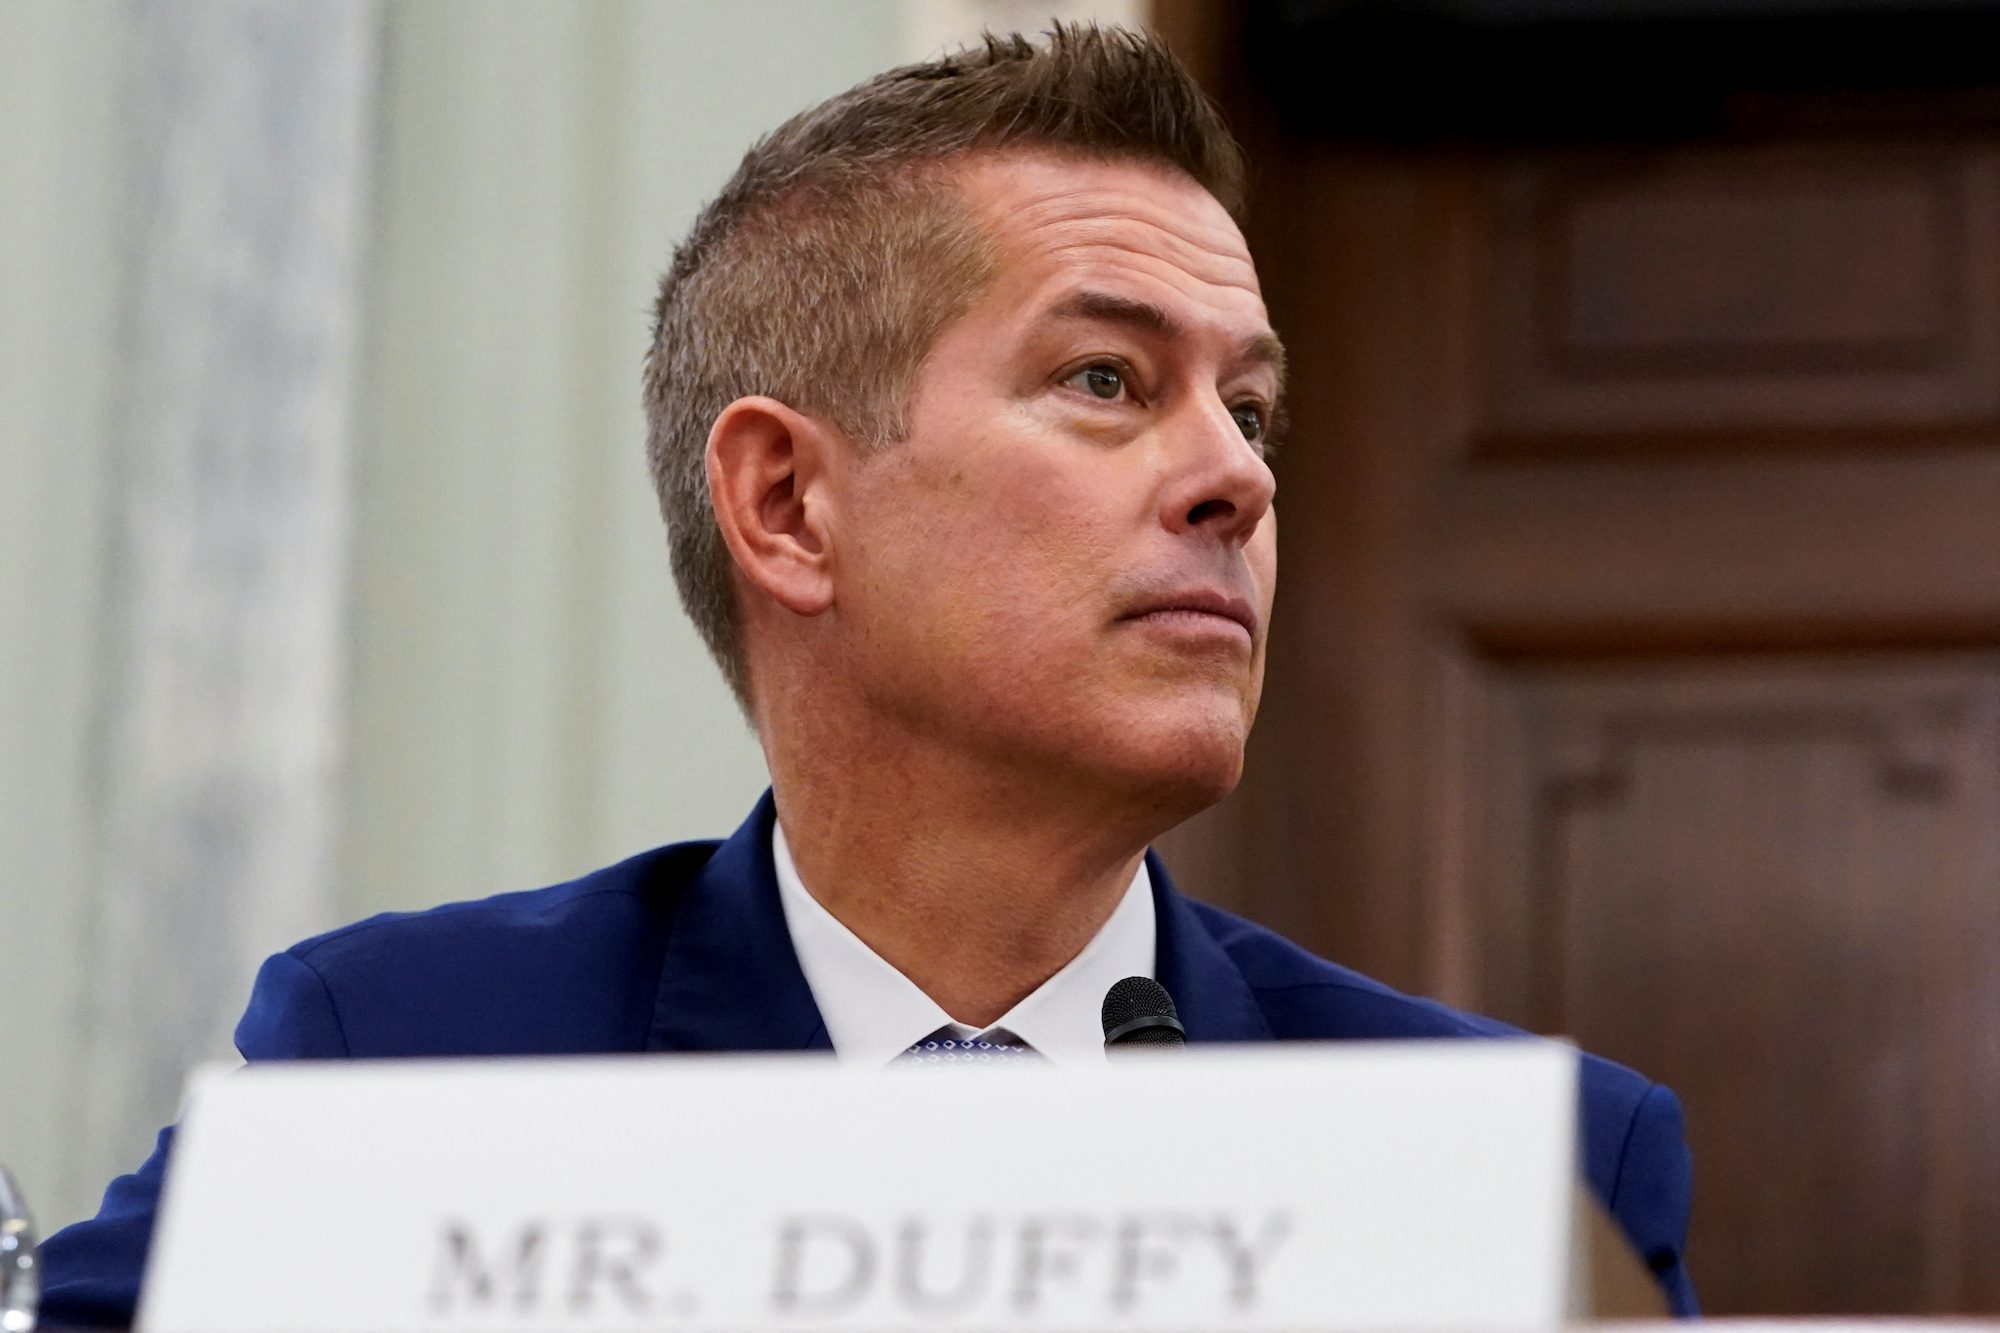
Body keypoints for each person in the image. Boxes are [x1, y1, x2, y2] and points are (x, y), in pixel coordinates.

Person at [37, 24, 1696, 1325]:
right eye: (1110, 378)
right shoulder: (409, 1061)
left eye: (1250, 410)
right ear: (786, 504)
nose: (1239, 479)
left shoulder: (1525, 1168)